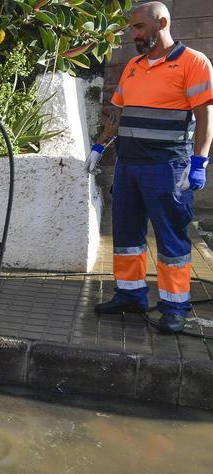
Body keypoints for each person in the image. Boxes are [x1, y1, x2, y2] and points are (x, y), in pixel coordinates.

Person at [87, 2, 213, 333]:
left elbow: (204, 117)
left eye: (139, 27)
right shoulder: (133, 66)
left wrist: (199, 162)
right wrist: (100, 145)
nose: (134, 34)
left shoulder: (193, 63)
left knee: (171, 240)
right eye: (132, 28)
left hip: (167, 167)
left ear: (162, 22)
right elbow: (115, 113)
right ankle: (130, 295)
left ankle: (174, 306)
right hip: (128, 166)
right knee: (127, 233)